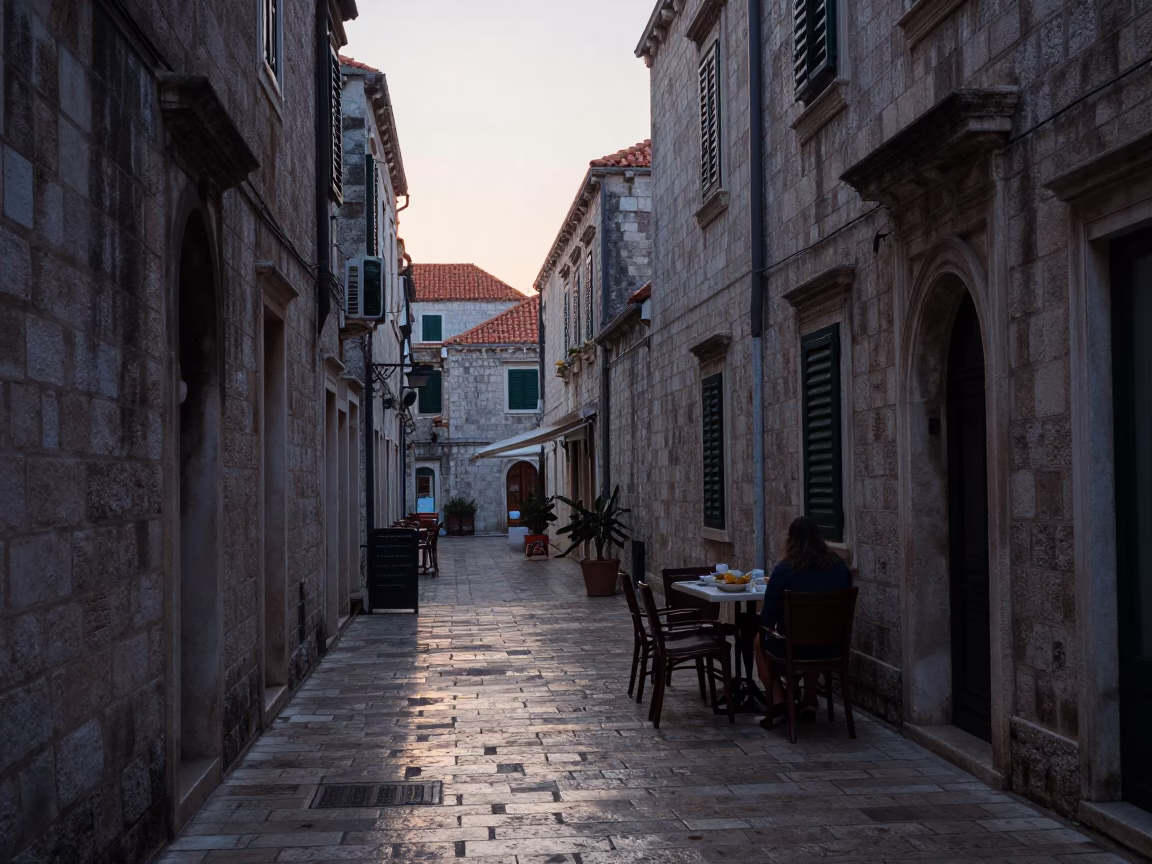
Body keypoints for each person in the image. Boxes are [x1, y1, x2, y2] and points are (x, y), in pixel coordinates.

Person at [753, 516, 852, 723]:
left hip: (794, 649)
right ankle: (809, 700)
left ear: (790, 541)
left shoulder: (784, 571)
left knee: (758, 640)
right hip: (832, 647)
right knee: (816, 633)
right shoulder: (839, 568)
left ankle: (780, 702)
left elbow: (767, 621)